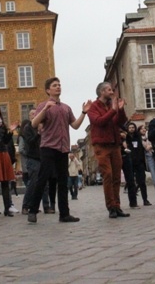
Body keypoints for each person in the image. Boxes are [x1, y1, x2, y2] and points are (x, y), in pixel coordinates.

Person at [27, 77, 91, 224]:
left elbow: (75, 125)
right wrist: (45, 109)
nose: (58, 87)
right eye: (55, 85)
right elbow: (34, 123)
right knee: (42, 179)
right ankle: (32, 210)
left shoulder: (66, 108)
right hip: (48, 147)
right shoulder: (44, 105)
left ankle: (64, 214)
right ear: (48, 90)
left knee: (63, 182)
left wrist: (83, 112)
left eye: (59, 85)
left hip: (63, 149)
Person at [87, 82, 129, 219]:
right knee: (108, 175)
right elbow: (99, 121)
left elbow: (120, 122)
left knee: (116, 177)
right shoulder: (93, 107)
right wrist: (113, 110)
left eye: (112, 89)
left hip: (115, 144)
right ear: (101, 92)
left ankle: (117, 206)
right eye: (109, 90)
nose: (111, 92)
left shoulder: (112, 105)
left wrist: (120, 110)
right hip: (102, 145)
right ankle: (110, 207)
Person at [20, 110, 51, 215]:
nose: (34, 115)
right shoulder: (27, 128)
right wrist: (38, 133)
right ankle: (26, 206)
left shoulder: (43, 126)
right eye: (32, 114)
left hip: (43, 157)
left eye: (36, 114)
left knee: (45, 184)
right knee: (32, 183)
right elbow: (30, 142)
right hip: (33, 158)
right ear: (29, 117)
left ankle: (46, 206)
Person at [126, 122, 152, 206]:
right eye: (130, 127)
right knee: (131, 182)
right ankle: (133, 201)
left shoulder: (138, 137)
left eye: (133, 127)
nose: (131, 129)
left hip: (139, 162)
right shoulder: (127, 138)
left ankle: (145, 200)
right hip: (130, 162)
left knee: (142, 182)